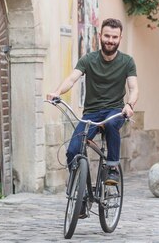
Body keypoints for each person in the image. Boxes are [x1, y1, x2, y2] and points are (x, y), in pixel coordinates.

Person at [47, 18, 138, 185]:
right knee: (73, 150)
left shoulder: (127, 62)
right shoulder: (88, 59)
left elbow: (133, 88)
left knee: (111, 125)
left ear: (120, 39)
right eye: (107, 36)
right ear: (100, 35)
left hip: (115, 111)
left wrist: (129, 105)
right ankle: (80, 188)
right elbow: (72, 79)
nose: (110, 40)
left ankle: (112, 168)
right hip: (91, 114)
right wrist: (57, 92)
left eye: (114, 37)